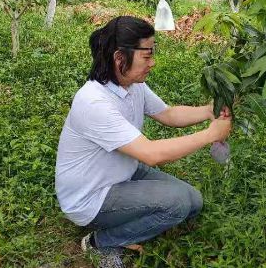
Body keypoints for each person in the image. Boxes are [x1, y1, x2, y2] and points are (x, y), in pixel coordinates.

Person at [55, 16, 232, 268]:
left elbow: (168, 114)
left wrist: (208, 111)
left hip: (122, 172)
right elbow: (151, 154)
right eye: (146, 56)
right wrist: (210, 135)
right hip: (92, 196)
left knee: (193, 202)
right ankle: (101, 242)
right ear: (119, 58)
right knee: (178, 204)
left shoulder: (131, 85)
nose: (153, 63)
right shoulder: (94, 102)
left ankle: (125, 224)